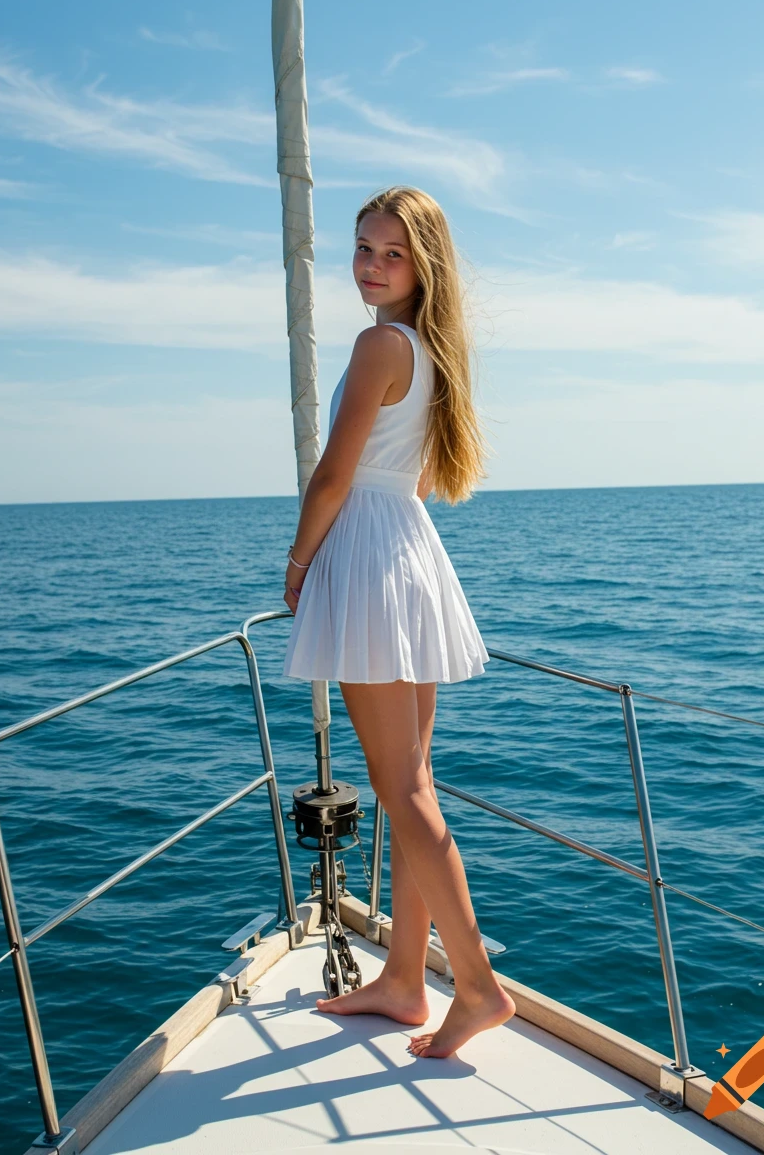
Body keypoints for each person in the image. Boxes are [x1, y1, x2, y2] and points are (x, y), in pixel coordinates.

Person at [282, 185, 515, 1058]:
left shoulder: (379, 343)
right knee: (413, 782)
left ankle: (479, 988)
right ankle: (407, 980)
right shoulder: (430, 348)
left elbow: (334, 476)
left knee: (401, 788)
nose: (371, 267)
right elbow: (410, 477)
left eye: (391, 254)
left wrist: (301, 563)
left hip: (370, 558)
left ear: (423, 265)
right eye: (363, 248)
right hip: (410, 553)